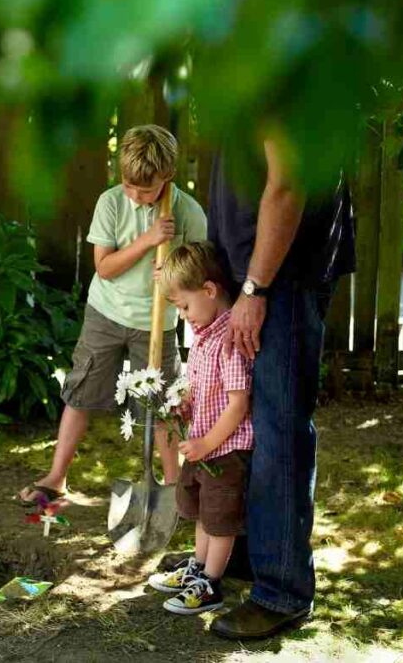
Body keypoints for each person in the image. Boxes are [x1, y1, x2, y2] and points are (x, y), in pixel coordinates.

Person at [206, 140, 355, 639]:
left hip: (279, 280)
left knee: (278, 427)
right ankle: (253, 552)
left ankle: (282, 590)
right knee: (247, 421)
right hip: (255, 275)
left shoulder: (282, 67)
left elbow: (287, 184)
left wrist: (256, 288)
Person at [17, 124, 207, 505]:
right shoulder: (111, 203)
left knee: (164, 406)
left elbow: (200, 271)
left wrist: (172, 273)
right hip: (105, 313)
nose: (135, 194)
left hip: (156, 323)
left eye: (146, 189)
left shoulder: (187, 213)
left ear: (168, 176)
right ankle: (57, 477)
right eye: (128, 184)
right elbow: (104, 267)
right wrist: (148, 241)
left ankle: (174, 490)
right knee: (81, 391)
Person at [146, 241, 253, 615]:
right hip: (203, 445)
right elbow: (203, 389)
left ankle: (211, 584)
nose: (185, 315)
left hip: (225, 450)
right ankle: (198, 567)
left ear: (209, 290)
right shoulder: (204, 337)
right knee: (204, 512)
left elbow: (239, 403)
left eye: (185, 306)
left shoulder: (228, 342)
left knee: (220, 520)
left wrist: (206, 442)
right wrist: (183, 405)